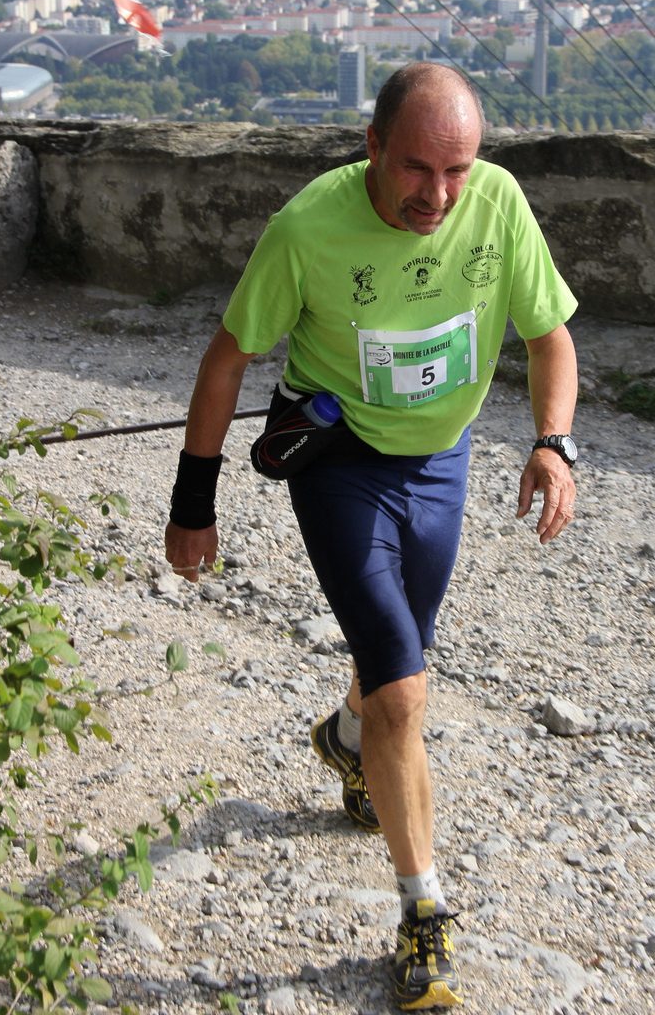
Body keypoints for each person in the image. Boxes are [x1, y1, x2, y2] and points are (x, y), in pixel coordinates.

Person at [165, 63, 578, 1010]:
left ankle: (346, 738)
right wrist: (194, 503)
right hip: (341, 465)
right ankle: (422, 911)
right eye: (416, 169)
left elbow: (548, 335)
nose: (438, 195)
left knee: (395, 667)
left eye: (456, 170)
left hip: (440, 463)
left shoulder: (497, 204)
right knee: (404, 689)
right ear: (372, 149)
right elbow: (227, 357)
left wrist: (552, 443)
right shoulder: (307, 228)